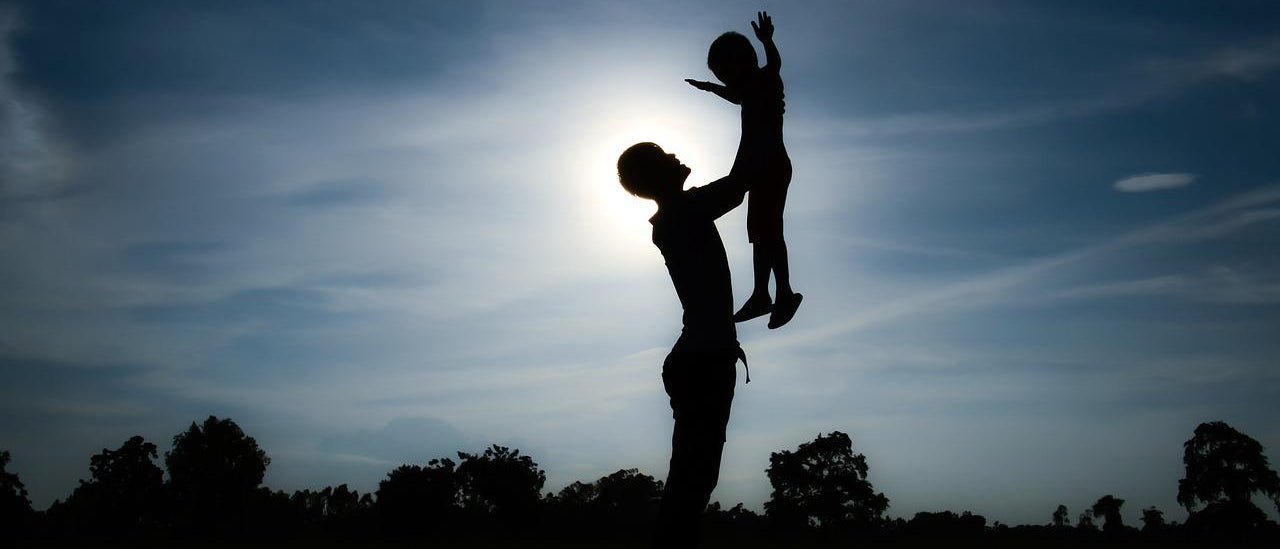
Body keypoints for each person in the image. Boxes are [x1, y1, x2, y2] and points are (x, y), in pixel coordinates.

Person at [617, 141, 752, 548]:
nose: (674, 157)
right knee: (694, 479)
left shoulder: (679, 212)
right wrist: (753, 106)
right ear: (653, 178)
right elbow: (740, 182)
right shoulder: (680, 212)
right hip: (703, 360)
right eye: (662, 158)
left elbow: (738, 184)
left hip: (702, 358)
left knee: (695, 477)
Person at [685, 11, 801, 329]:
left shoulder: (766, 80)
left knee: (770, 232)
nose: (726, 81)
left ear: (740, 63)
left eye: (725, 72)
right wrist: (710, 88)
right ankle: (764, 292)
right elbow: (736, 95)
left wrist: (768, 42)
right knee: (760, 233)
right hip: (759, 170)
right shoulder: (748, 91)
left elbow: (772, 67)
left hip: (771, 167)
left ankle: (783, 293)